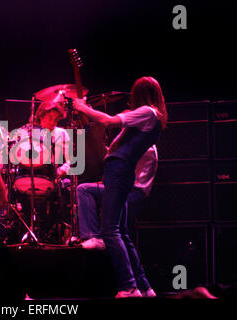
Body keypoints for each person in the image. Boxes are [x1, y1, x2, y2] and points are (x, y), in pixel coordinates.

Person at [73, 76, 168, 298]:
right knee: (122, 232)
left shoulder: (147, 112)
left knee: (111, 230)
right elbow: (114, 138)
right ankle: (144, 287)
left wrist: (83, 107)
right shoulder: (151, 117)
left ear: (139, 94)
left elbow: (108, 121)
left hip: (119, 171)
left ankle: (128, 286)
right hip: (121, 171)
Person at [77, 145, 158, 297]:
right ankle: (144, 287)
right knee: (123, 236)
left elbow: (114, 156)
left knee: (84, 190)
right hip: (129, 190)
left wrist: (98, 140)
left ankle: (93, 235)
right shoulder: (145, 139)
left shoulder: (144, 144)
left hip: (131, 192)